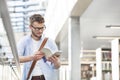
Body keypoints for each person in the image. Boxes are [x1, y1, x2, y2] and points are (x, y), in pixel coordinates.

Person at [17, 14, 61, 80]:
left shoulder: (50, 42)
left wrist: (56, 62)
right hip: (31, 78)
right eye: (37, 28)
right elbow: (16, 59)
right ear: (30, 27)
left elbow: (57, 66)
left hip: (48, 78)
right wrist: (32, 57)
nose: (40, 31)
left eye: (42, 28)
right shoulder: (24, 41)